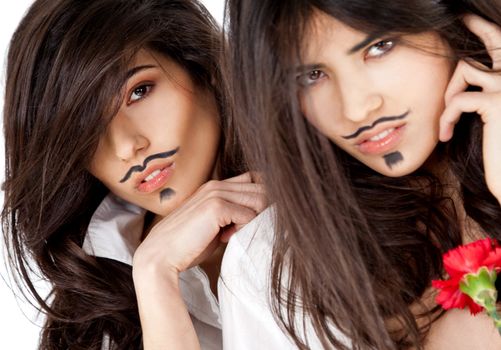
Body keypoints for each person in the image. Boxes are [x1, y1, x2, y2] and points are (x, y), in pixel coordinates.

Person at [225, 0, 501, 348]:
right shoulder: (271, 266)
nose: (356, 109)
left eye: (380, 46)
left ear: (456, 21)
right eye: (311, 75)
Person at [2, 0, 268, 349]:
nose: (126, 147)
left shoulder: (333, 205)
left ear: (205, 69)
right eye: (85, 129)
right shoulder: (88, 323)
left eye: (138, 92)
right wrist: (155, 273)